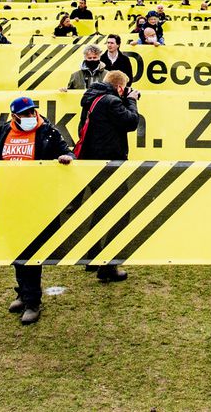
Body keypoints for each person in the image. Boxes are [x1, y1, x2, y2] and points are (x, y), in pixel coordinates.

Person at [0, 96, 73, 323]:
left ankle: (32, 301)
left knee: (31, 252)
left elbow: (67, 151)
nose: (31, 117)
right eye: (25, 114)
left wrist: (67, 157)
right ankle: (23, 291)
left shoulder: (48, 132)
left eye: (32, 112)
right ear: (14, 116)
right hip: (9, 200)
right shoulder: (2, 133)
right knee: (16, 249)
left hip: (37, 202)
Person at [76, 71, 140, 282]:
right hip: (110, 162)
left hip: (92, 161)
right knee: (121, 213)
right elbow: (131, 122)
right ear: (120, 87)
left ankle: (93, 257)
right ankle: (109, 265)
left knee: (101, 209)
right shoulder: (112, 101)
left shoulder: (91, 98)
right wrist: (131, 101)